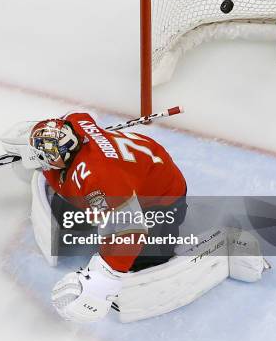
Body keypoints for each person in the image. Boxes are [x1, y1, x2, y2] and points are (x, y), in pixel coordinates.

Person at [28, 111, 187, 321]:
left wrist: (105, 279)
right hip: (135, 173)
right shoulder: (77, 126)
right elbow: (77, 115)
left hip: (161, 200)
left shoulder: (99, 178)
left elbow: (131, 230)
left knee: (146, 256)